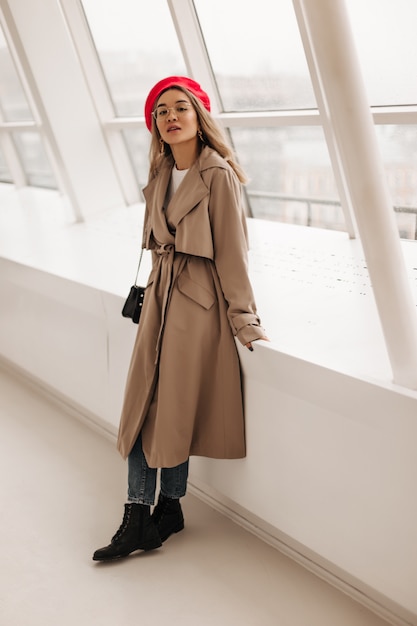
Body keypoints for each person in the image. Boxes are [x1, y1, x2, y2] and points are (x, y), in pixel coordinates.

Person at [93, 76, 268, 562]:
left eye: (180, 108)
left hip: (199, 307)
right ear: (156, 124)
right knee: (144, 406)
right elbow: (155, 249)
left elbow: (233, 253)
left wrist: (243, 318)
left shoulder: (218, 175)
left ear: (199, 117)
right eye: (161, 111)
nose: (171, 117)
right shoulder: (159, 174)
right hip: (160, 300)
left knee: (170, 409)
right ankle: (151, 512)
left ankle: (156, 512)